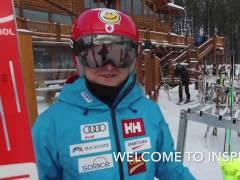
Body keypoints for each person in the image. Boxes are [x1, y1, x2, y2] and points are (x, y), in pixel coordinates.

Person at [32, 8, 194, 180]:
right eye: (97, 56)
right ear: (79, 58)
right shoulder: (49, 125)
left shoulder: (149, 112)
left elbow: (170, 168)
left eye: (120, 56)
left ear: (132, 59)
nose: (109, 66)